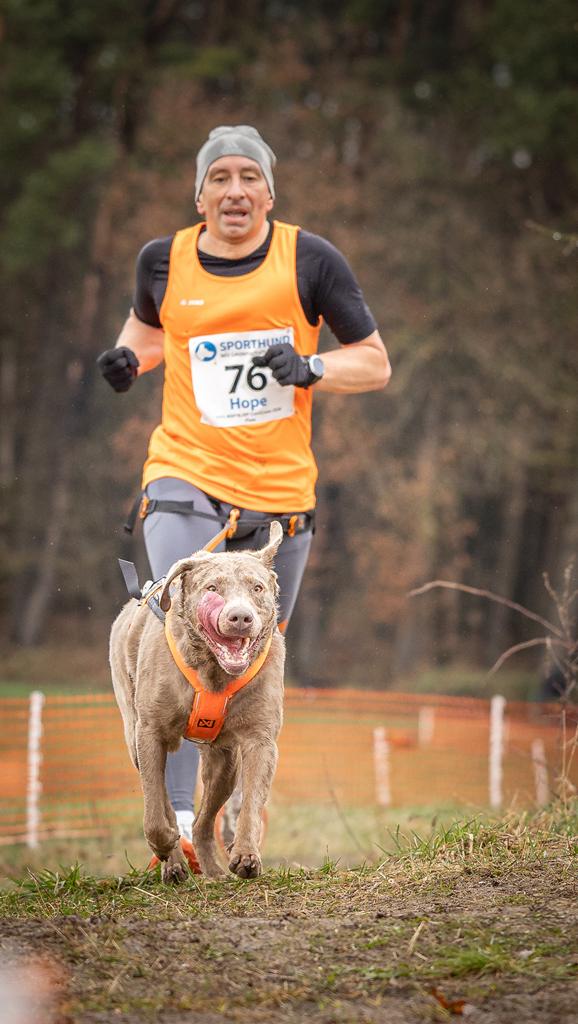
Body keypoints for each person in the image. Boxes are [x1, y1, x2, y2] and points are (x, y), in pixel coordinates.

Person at [97, 124, 391, 855]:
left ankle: (231, 810)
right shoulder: (162, 260)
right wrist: (127, 362)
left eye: (247, 177)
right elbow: (152, 335)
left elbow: (375, 363)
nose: (234, 190)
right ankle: (180, 824)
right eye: (219, 177)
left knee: (251, 651)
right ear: (199, 193)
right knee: (179, 629)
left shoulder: (310, 259)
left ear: (269, 190)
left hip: (280, 489)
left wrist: (309, 368)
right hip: (184, 469)